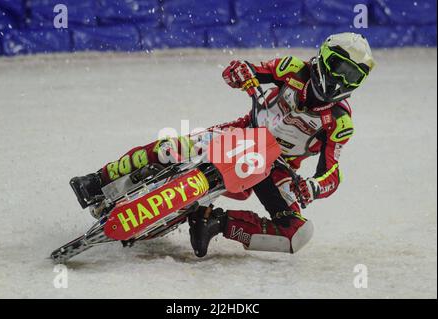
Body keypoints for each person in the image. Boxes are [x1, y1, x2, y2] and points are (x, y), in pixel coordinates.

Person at [70, 32, 375, 257]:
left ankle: (213, 221)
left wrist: (312, 187)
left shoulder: (339, 122)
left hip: (276, 166)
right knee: (170, 148)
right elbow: (246, 70)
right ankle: (98, 180)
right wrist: (239, 72)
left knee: (297, 234)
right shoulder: (292, 67)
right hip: (243, 133)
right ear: (322, 57)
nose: (338, 80)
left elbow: (332, 173)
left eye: (351, 76)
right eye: (337, 66)